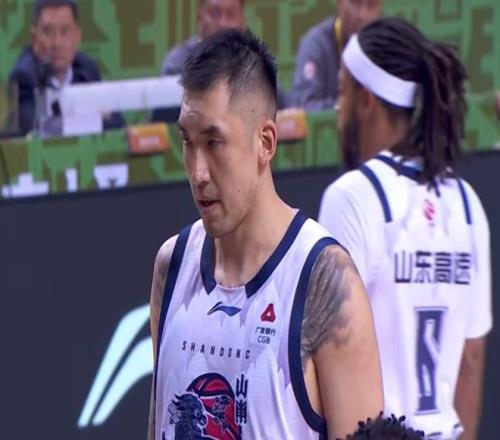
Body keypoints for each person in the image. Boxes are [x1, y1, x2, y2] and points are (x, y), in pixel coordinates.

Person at [148, 29, 383, 440]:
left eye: (214, 142)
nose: (198, 173)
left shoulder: (325, 282)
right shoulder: (172, 266)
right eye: (188, 142)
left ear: (266, 142)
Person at [318, 17, 492, 439]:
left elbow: (329, 360)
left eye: (342, 92)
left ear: (365, 100)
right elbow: (470, 362)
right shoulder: (467, 204)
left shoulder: (352, 197)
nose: (338, 109)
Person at [8, 0, 124, 136]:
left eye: (65, 31)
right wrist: (94, 118)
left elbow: (117, 124)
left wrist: (65, 120)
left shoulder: (86, 68)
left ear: (77, 36)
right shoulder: (24, 77)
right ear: (34, 38)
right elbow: (36, 129)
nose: (57, 43)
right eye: (47, 32)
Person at [291, 0, 381, 110]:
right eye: (356, 3)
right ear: (339, 3)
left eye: (372, 5)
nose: (363, 15)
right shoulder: (316, 44)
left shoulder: (387, 44)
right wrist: (347, 108)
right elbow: (303, 107)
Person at [161, 0, 245, 76]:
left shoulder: (250, 61)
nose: (222, 23)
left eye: (230, 14)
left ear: (242, 20)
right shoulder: (178, 60)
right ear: (200, 16)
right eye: (215, 14)